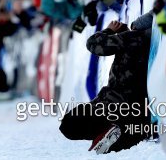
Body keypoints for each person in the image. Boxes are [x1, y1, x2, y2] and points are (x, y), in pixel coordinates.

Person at [59, 15, 153, 153]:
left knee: (80, 120)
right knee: (83, 117)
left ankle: (105, 134)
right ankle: (106, 132)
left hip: (127, 102)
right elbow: (93, 44)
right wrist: (109, 30)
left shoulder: (130, 41)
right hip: (125, 91)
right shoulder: (133, 38)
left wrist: (119, 33)